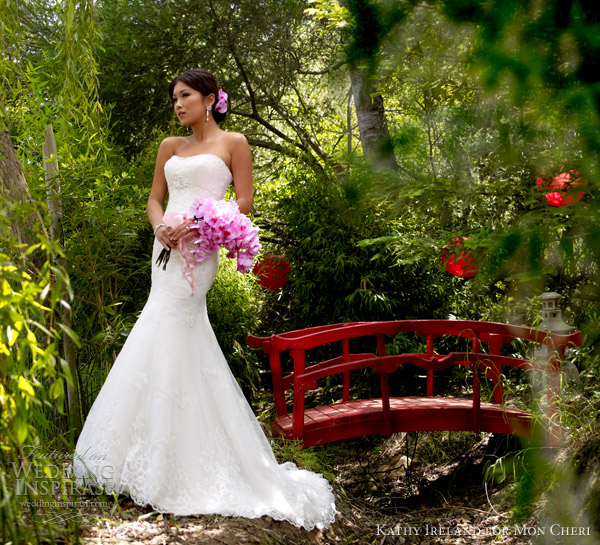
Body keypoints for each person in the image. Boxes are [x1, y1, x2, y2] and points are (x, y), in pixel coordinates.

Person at [73, 68, 336, 530]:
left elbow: (245, 202)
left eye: (186, 96)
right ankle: (141, 452)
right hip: (166, 247)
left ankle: (176, 461)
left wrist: (198, 225)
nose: (178, 104)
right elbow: (154, 199)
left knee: (174, 324)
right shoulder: (169, 148)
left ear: (211, 98)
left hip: (200, 246)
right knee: (160, 325)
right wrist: (161, 228)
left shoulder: (233, 142)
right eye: (174, 97)